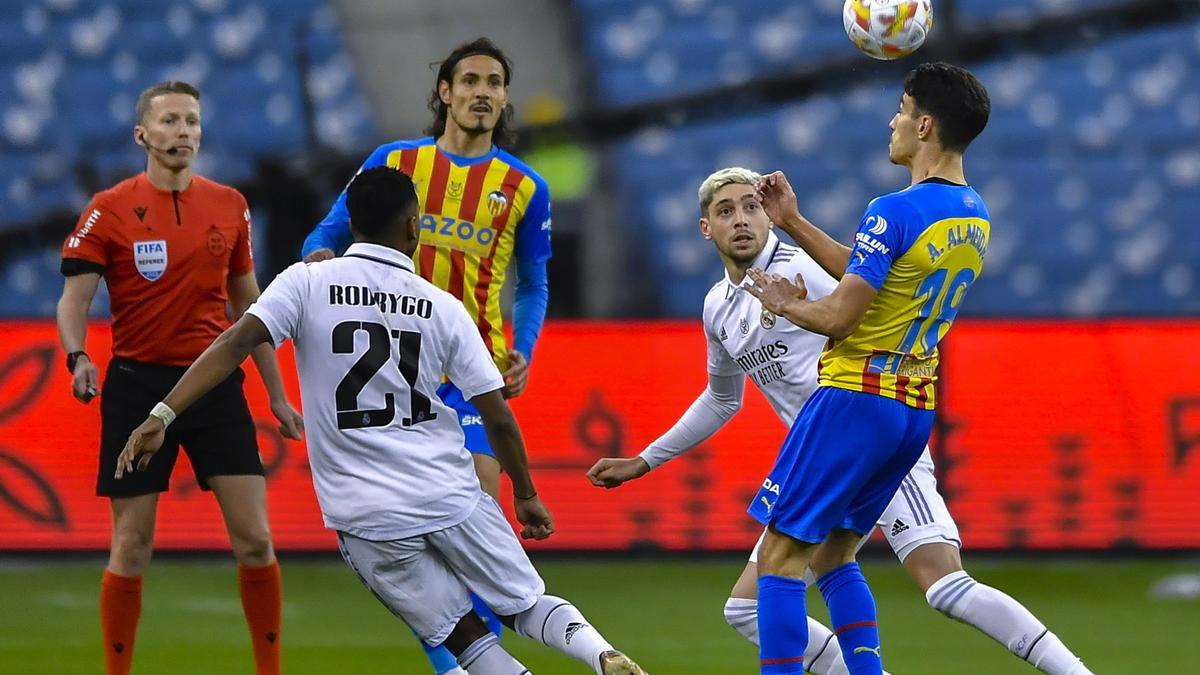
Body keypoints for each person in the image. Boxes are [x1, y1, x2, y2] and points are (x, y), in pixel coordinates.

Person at [117, 166, 647, 675]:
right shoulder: (441, 307)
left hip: (366, 514)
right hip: (447, 493)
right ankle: (600, 656)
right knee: (525, 604)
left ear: (351, 222)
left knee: (461, 635)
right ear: (414, 226)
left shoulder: (306, 283)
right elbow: (498, 417)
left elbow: (235, 342)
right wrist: (527, 494)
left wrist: (162, 413)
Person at [588, 166, 1094, 675]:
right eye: (725, 211)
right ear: (705, 228)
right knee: (754, 604)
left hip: (872, 431)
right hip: (822, 455)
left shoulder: (805, 269)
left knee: (944, 585)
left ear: (767, 215)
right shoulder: (717, 307)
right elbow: (722, 399)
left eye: (751, 206)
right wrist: (645, 460)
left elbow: (876, 292)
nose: (741, 220)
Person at [301, 38, 550, 672]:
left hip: (470, 371)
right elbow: (324, 233)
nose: (483, 92)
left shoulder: (524, 186)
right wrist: (317, 260)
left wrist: (521, 350)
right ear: (445, 92)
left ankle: (478, 661)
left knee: (479, 513)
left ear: (505, 97)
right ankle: (457, 664)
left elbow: (535, 282)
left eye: (495, 82)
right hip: (395, 373)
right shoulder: (393, 162)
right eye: (469, 80)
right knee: (418, 547)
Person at [56, 80, 303, 675]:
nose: (183, 132)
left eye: (192, 121)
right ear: (142, 134)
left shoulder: (229, 204)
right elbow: (73, 300)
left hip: (215, 383)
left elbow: (251, 309)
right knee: (133, 546)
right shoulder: (109, 208)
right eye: (169, 121)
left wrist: (276, 393)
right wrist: (78, 356)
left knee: (256, 541)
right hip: (137, 386)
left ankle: (269, 671)